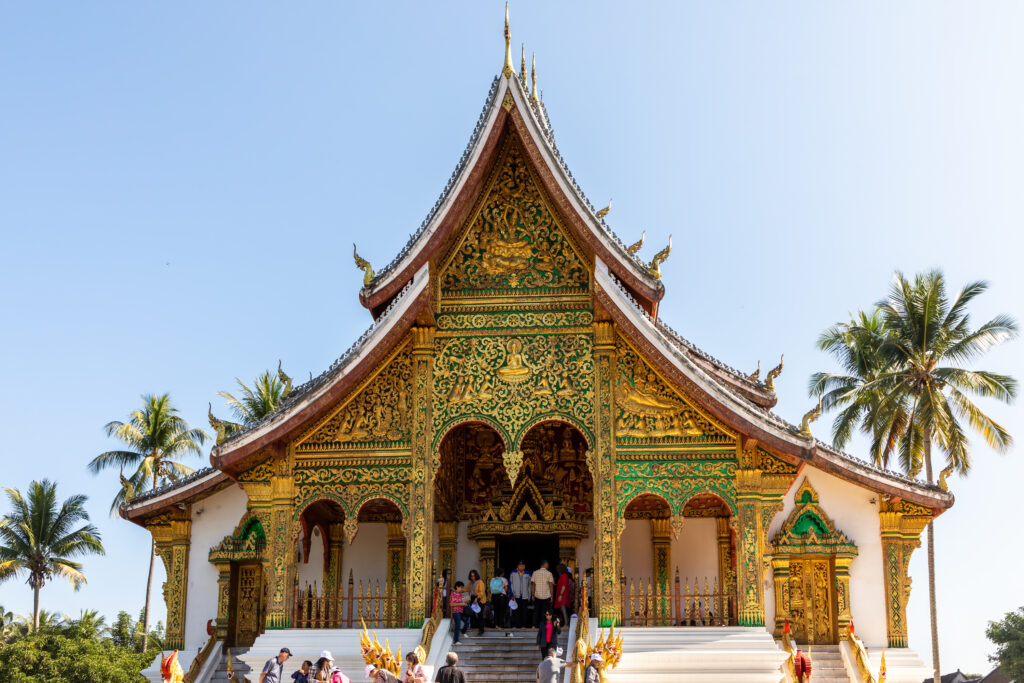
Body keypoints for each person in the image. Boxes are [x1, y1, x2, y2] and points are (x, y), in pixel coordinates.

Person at [531, 560, 554, 627]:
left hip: (537, 595)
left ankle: (533, 626)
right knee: (544, 611)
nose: (548, 565)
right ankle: (543, 625)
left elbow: (533, 585)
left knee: (536, 610)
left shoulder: (535, 573)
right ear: (544, 564)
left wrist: (532, 595)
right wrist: (552, 596)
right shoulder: (549, 573)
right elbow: (550, 585)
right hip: (546, 596)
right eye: (547, 564)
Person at [509, 560, 531, 629]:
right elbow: (510, 584)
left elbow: (530, 586)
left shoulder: (528, 573)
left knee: (524, 611)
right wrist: (512, 594)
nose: (522, 566)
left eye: (523, 565)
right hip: (516, 595)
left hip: (525, 596)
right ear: (517, 566)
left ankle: (523, 625)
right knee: (515, 611)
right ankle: (515, 625)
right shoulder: (513, 573)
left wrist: (529, 596)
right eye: (520, 565)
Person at [467, 569, 486, 635]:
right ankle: (474, 627)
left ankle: (481, 630)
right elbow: (465, 589)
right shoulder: (470, 583)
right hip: (473, 599)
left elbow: (482, 592)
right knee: (472, 614)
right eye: (471, 576)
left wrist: (477, 599)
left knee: (480, 614)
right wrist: (456, 590)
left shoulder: (480, 582)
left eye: (474, 576)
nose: (472, 577)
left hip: (480, 600)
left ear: (476, 575)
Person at [449, 580, 467, 645]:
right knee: (458, 625)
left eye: (462, 587)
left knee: (467, 622)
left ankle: (463, 632)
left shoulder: (461, 595)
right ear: (457, 587)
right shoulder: (453, 594)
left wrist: (465, 602)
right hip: (456, 612)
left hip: (462, 612)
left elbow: (463, 603)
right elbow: (451, 604)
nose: (462, 589)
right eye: (461, 587)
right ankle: (456, 640)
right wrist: (461, 604)